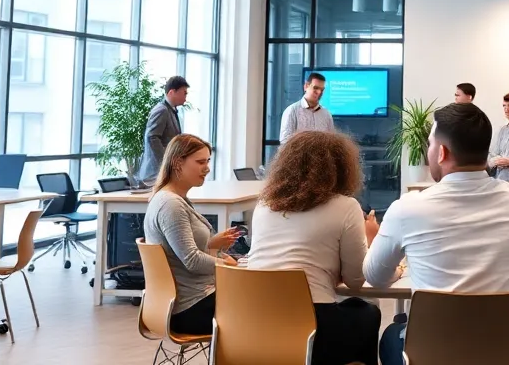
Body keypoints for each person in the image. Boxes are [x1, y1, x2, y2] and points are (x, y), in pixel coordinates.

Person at [365, 102, 509, 365]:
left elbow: (374, 278)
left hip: (433, 356)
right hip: (508, 354)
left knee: (392, 333)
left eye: (430, 143)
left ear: (442, 152)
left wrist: (394, 266)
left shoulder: (407, 208)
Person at [244, 131, 381, 365]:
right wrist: (370, 240)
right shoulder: (346, 206)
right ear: (342, 168)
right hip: (313, 328)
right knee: (367, 312)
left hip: (254, 324)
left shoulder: (264, 206)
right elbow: (356, 280)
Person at [143, 134, 242, 336]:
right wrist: (229, 266)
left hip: (188, 304)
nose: (206, 168)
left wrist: (212, 242)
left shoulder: (172, 199)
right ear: (177, 162)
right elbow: (192, 261)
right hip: (190, 308)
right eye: (200, 162)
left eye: (207, 161)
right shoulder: (171, 204)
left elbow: (178, 252)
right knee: (267, 311)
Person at [136, 76, 188, 185]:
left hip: (165, 172)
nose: (185, 97)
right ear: (172, 92)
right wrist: (166, 160)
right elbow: (152, 137)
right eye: (184, 93)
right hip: (156, 173)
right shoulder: (162, 110)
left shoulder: (171, 110)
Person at [279, 72, 335, 145]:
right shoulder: (292, 111)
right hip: (299, 156)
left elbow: (331, 141)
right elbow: (285, 142)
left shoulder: (326, 114)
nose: (319, 92)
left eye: (322, 89)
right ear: (306, 86)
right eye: (316, 88)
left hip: (321, 156)